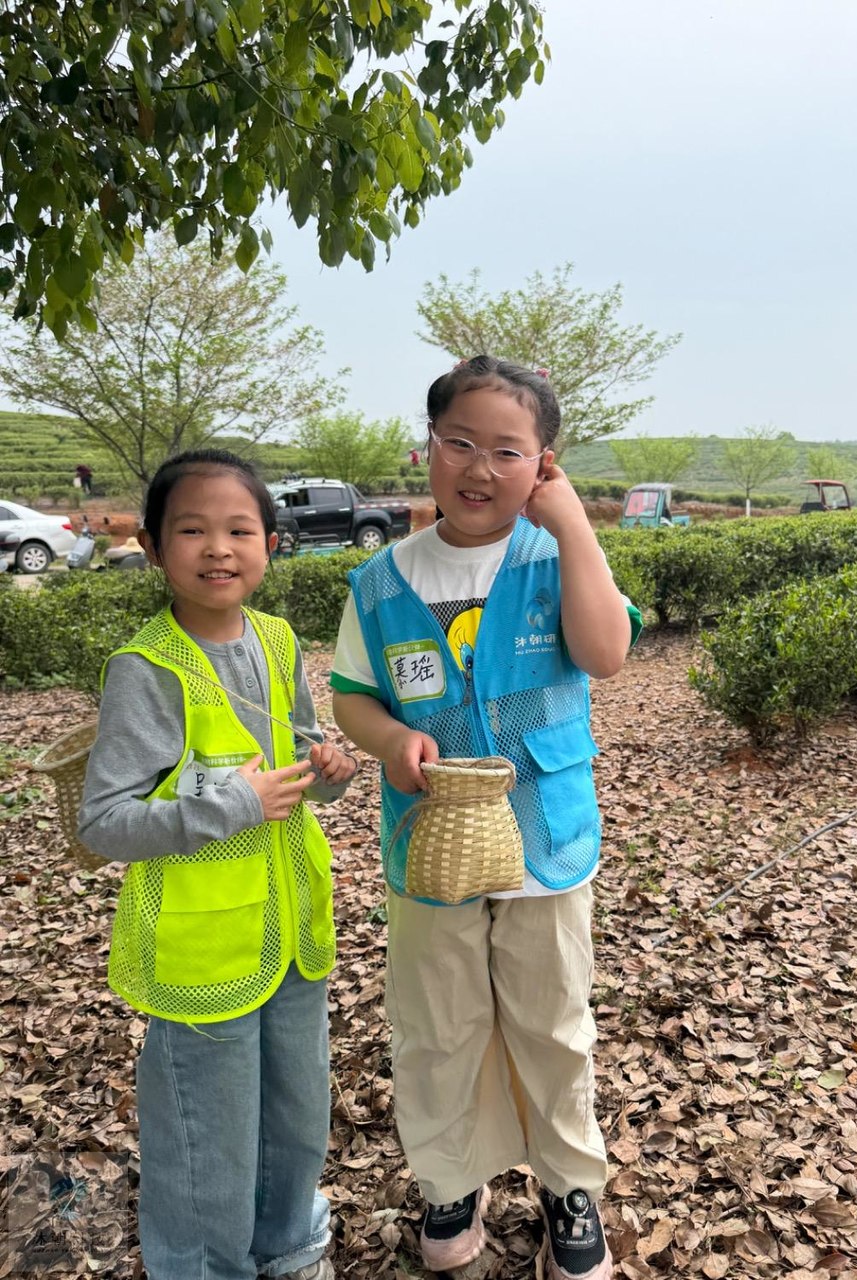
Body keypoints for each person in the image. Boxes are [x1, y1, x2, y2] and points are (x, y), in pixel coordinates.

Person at [330, 356, 641, 1280]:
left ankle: (569, 1187)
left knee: (553, 1022)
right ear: (427, 447)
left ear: (544, 464)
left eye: (509, 451)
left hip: (547, 838)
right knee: (437, 1025)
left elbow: (607, 653)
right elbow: (352, 696)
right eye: (459, 442)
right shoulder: (380, 582)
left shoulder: (556, 557)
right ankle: (450, 1179)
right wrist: (391, 739)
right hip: (429, 844)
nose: (479, 467)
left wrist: (573, 525)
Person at [78, 448, 357, 1280]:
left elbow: (296, 766)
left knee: (296, 1108)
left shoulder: (275, 640)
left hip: (290, 932)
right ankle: (203, 1266)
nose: (218, 549)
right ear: (154, 549)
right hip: (202, 949)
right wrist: (231, 806)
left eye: (239, 530)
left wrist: (329, 772)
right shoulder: (146, 670)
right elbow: (103, 822)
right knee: (207, 1131)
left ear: (271, 543)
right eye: (192, 530)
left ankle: (287, 1242)